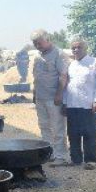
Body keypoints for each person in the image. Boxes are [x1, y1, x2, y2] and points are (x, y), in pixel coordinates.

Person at [64, 39, 96, 169]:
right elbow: (67, 85)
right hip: (72, 104)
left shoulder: (95, 63)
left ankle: (90, 160)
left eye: (79, 47)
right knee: (73, 133)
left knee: (90, 133)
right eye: (73, 48)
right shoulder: (71, 65)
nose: (76, 50)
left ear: (85, 48)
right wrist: (65, 103)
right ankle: (76, 159)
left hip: (88, 104)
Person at [30, 29, 70, 164]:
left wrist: (59, 94)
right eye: (35, 43)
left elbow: (63, 76)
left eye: (39, 43)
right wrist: (35, 94)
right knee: (44, 126)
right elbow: (36, 77)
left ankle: (61, 156)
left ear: (48, 40)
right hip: (41, 97)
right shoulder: (37, 56)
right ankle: (49, 153)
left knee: (58, 128)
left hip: (53, 98)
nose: (37, 46)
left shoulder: (59, 54)